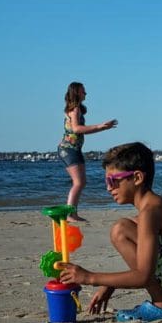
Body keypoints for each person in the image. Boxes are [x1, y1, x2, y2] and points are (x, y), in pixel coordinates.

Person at [58, 142, 162, 323]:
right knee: (129, 225)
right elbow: (149, 259)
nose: (109, 188)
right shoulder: (152, 208)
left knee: (120, 230)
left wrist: (89, 277)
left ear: (137, 177)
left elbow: (143, 275)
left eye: (113, 180)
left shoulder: (151, 211)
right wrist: (109, 284)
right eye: (106, 182)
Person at [58, 81, 118, 222]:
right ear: (77, 92)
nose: (86, 93)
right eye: (83, 91)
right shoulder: (75, 109)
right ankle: (70, 214)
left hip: (72, 149)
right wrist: (101, 127)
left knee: (81, 182)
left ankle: (72, 213)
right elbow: (76, 129)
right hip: (68, 149)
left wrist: (101, 127)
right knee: (79, 182)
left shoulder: (76, 109)